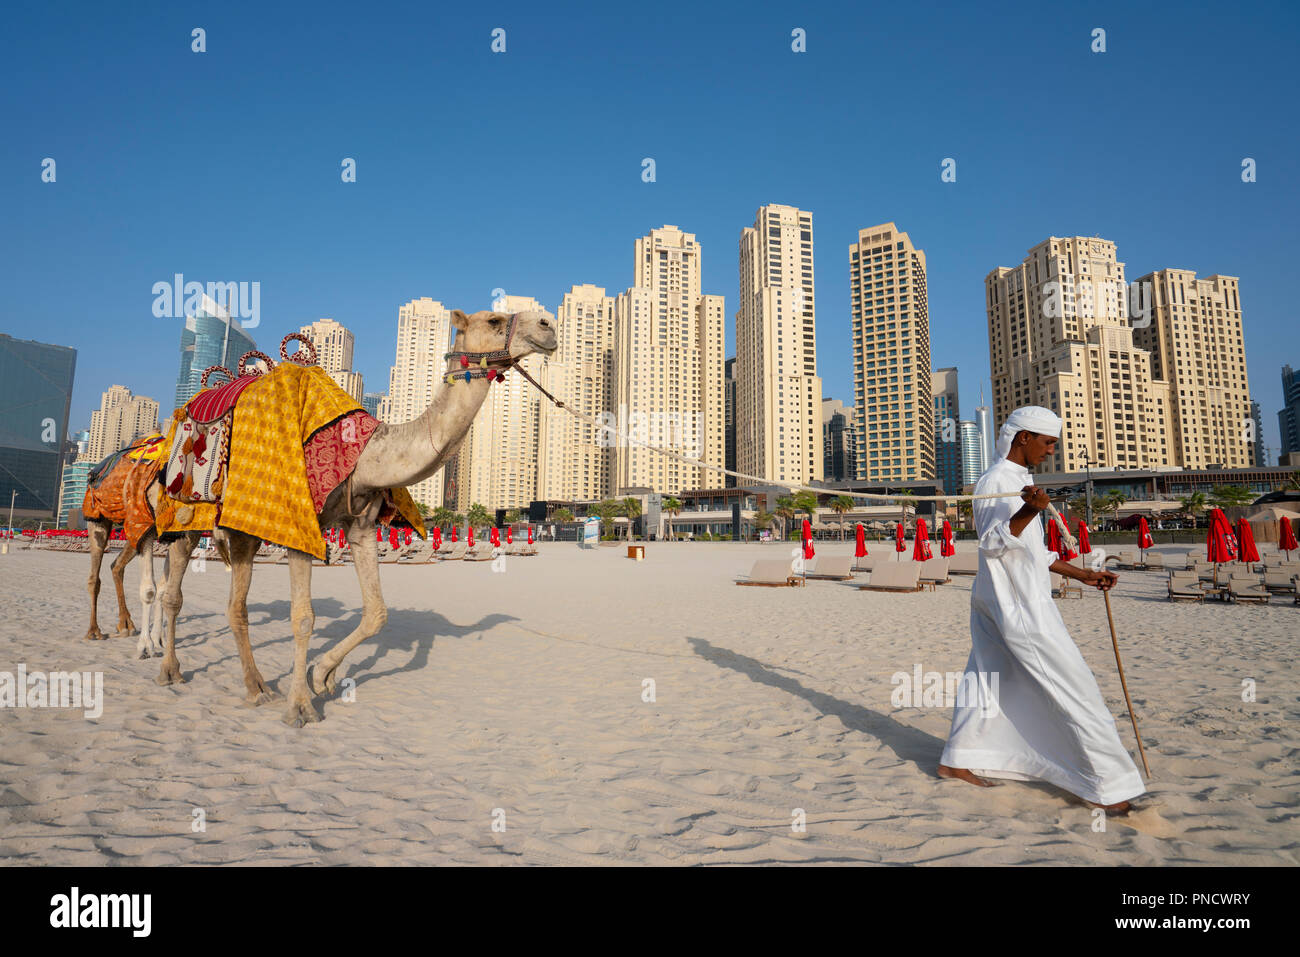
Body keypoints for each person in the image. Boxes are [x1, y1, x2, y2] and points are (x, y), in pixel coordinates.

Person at [938, 406, 1145, 814]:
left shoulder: (1021, 480)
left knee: (987, 678)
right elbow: (993, 544)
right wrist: (1030, 510)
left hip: (1000, 597)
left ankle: (956, 760)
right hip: (1016, 604)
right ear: (1023, 438)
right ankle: (1106, 786)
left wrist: (1080, 574)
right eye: (1048, 442)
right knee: (1074, 685)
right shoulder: (996, 480)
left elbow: (1033, 552)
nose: (1051, 450)